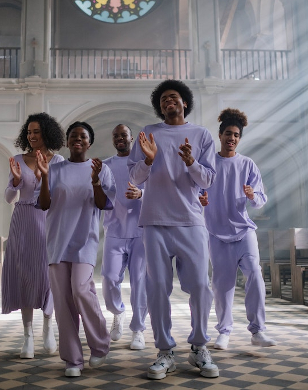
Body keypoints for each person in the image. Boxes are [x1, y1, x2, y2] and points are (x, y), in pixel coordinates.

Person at [128, 79, 219, 379]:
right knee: (157, 289)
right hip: (154, 221)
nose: (169, 101)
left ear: (184, 103)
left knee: (201, 287)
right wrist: (149, 160)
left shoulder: (201, 134)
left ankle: (199, 347)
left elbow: (207, 180)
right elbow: (134, 178)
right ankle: (165, 352)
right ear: (160, 105)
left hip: (191, 221)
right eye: (164, 98)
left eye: (175, 97)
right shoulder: (147, 134)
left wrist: (192, 162)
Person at [36, 121, 116, 378]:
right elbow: (44, 203)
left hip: (85, 240)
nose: (77, 139)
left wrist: (95, 182)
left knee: (81, 289)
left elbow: (104, 204)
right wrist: (46, 176)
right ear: (67, 141)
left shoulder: (100, 168)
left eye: (82, 136)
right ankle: (72, 359)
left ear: (89, 142)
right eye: (73, 136)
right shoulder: (55, 168)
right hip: (57, 241)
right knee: (62, 301)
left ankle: (100, 344)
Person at [199, 108, 277, 350]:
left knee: (254, 272)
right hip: (216, 234)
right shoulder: (208, 162)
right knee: (222, 285)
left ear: (239, 139)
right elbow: (195, 191)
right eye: (228, 134)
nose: (231, 138)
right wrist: (199, 200)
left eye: (236, 135)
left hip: (244, 231)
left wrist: (253, 195)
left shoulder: (247, 164)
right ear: (220, 136)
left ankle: (258, 331)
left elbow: (261, 199)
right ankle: (224, 332)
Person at [2, 112, 65, 359]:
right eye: (29, 132)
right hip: (23, 219)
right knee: (24, 274)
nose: (31, 135)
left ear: (46, 133)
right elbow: (8, 197)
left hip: (48, 220)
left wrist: (44, 178)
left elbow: (60, 194)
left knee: (48, 274)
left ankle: (48, 325)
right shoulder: (18, 159)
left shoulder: (58, 160)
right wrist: (16, 182)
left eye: (36, 131)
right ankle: (27, 334)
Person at [102, 124, 147, 350]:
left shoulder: (143, 165)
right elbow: (96, 194)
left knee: (140, 282)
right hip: (114, 230)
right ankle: (117, 312)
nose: (120, 138)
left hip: (140, 231)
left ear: (132, 139)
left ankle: (138, 329)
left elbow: (158, 189)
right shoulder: (106, 166)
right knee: (109, 278)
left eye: (124, 135)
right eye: (116, 135)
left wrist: (142, 194)